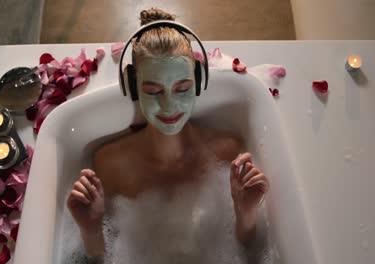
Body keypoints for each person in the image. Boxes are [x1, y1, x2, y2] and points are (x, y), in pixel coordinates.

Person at [67, 8, 269, 260]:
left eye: (182, 88)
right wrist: (91, 229)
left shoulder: (228, 150)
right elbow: (102, 258)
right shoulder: (111, 164)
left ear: (198, 80)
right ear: (133, 87)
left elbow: (248, 251)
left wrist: (245, 212)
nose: (169, 105)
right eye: (153, 91)